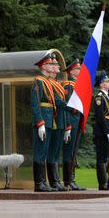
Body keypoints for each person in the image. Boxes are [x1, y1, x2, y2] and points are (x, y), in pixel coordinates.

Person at [30, 52, 60, 192]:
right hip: (43, 121)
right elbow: (35, 104)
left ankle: (44, 182)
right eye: (50, 64)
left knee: (45, 151)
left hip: (49, 121)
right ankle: (39, 183)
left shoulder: (47, 82)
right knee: (40, 152)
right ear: (43, 66)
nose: (52, 66)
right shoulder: (38, 81)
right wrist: (40, 123)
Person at [62, 58, 85, 190]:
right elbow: (67, 107)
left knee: (73, 153)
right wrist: (68, 126)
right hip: (71, 121)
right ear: (71, 72)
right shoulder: (69, 86)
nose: (80, 71)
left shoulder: (77, 85)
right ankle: (67, 181)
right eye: (78, 69)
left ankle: (72, 179)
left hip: (77, 121)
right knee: (68, 152)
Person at [45, 57, 68, 191]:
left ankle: (56, 181)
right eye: (54, 64)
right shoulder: (48, 83)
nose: (57, 67)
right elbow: (57, 102)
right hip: (54, 119)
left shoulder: (57, 83)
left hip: (60, 120)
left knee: (55, 153)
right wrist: (71, 107)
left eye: (56, 65)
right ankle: (53, 181)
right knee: (51, 152)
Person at [93, 70, 109, 190]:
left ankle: (106, 182)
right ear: (101, 84)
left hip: (108, 130)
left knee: (107, 157)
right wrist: (108, 132)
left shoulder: (107, 97)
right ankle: (103, 184)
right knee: (101, 157)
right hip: (102, 132)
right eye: (107, 81)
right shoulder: (99, 98)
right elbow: (100, 117)